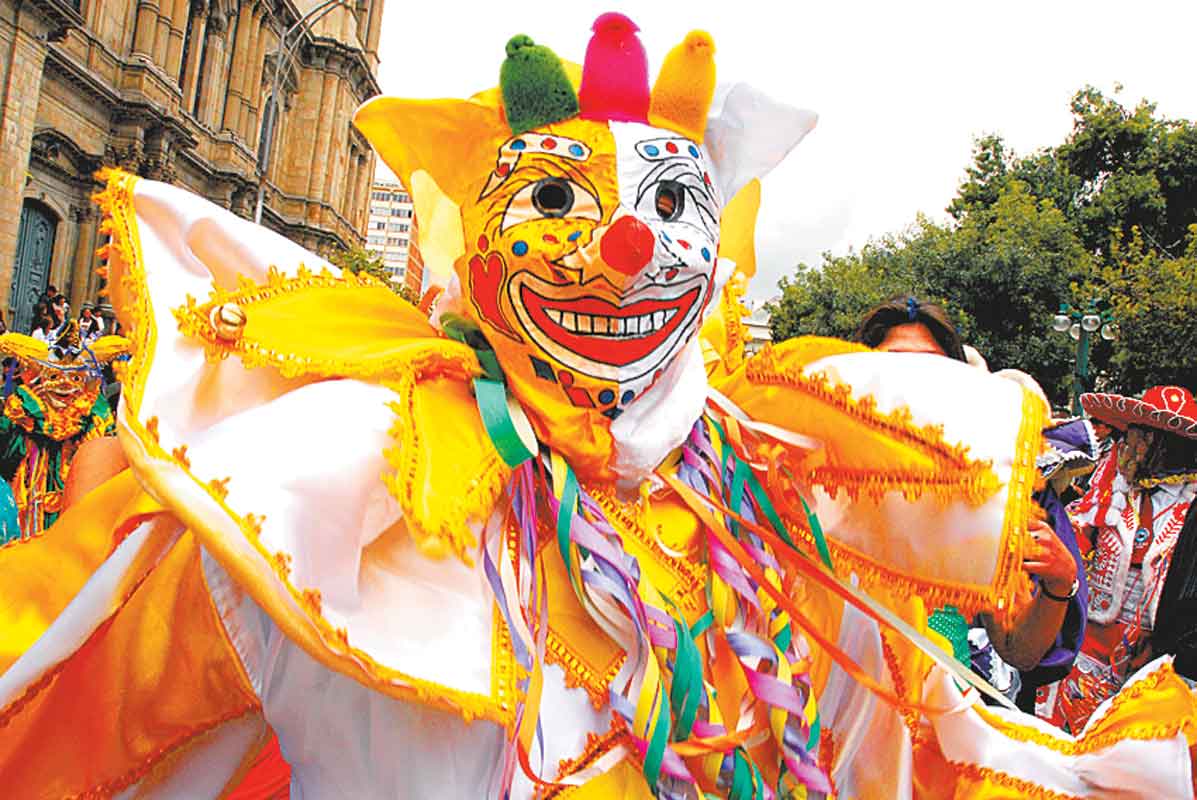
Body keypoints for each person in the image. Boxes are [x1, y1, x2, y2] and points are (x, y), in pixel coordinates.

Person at [2, 20, 1195, 800]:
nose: (620, 251)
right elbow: (63, 693)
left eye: (671, 210)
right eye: (562, 204)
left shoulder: (775, 515)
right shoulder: (338, 481)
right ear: (477, 258)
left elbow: (932, 747)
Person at [855, 295, 1086, 707]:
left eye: (933, 368)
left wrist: (1059, 582)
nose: (912, 381)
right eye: (894, 365)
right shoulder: (813, 473)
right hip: (834, 723)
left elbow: (1020, 650)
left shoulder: (981, 494)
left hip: (939, 730)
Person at [1037, 384, 1197, 732]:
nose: (1126, 445)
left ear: (1160, 446)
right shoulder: (1110, 491)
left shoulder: (1191, 507)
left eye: (1139, 437)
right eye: (1131, 435)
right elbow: (1074, 537)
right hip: (1089, 639)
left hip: (1154, 651)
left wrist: (1165, 643)